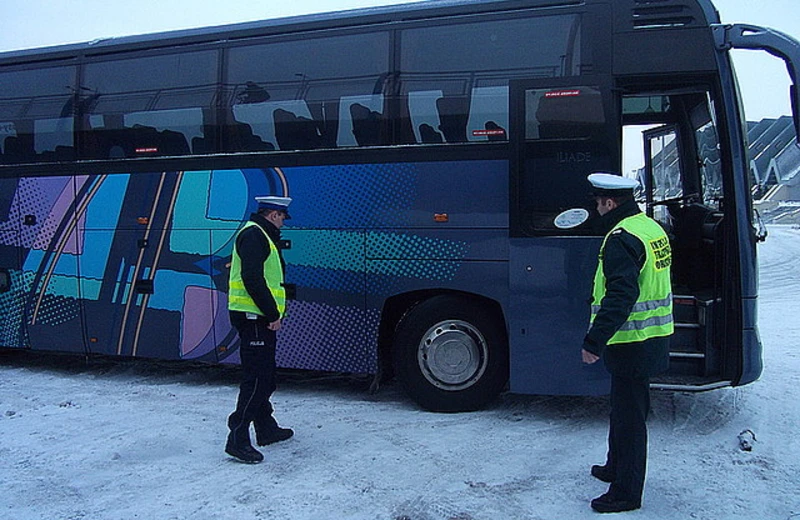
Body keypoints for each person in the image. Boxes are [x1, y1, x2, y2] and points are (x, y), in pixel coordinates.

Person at [581, 173, 673, 513]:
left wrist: (594, 340)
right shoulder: (649, 227)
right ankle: (614, 466)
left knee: (631, 418)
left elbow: (621, 295)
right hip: (651, 336)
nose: (596, 207)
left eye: (597, 201)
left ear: (610, 202)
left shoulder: (621, 238)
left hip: (632, 340)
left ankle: (626, 492)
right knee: (622, 409)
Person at [225, 195, 295, 463]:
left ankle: (265, 428)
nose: (283, 224)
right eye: (282, 218)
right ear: (273, 215)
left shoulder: (260, 234)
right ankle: (237, 438)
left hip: (257, 317)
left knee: (265, 376)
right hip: (254, 317)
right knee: (256, 378)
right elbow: (252, 278)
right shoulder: (255, 235)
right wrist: (271, 313)